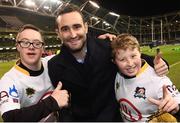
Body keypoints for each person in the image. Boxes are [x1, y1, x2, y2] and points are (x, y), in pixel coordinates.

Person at [48, 4, 169, 121]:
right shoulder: (54, 65)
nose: (73, 34)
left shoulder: (106, 47)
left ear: (86, 27)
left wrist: (160, 64)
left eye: (77, 27)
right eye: (65, 29)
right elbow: (64, 106)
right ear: (58, 33)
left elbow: (135, 58)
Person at [0, 24, 69, 122]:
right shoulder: (9, 81)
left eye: (37, 43)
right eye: (25, 42)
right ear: (18, 46)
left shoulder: (52, 63)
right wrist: (53, 102)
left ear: (42, 48)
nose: (31, 47)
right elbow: (11, 118)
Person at [112, 33, 180, 122]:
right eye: (122, 59)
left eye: (133, 56)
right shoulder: (117, 75)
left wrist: (176, 108)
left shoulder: (157, 79)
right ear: (114, 61)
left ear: (140, 54)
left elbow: (175, 103)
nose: (130, 63)